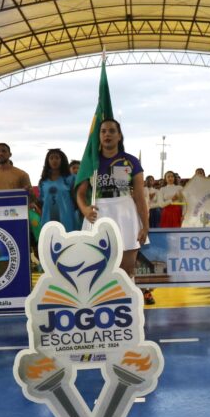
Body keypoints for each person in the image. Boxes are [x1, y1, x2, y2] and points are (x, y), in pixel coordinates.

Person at [75, 119, 152, 304]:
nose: (107, 134)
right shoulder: (90, 162)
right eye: (103, 131)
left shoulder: (131, 161)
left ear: (119, 136)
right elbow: (80, 194)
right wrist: (85, 209)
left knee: (127, 270)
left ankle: (127, 308)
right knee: (95, 267)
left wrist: (145, 225)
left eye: (111, 131)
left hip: (126, 215)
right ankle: (99, 306)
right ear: (98, 136)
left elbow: (140, 198)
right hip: (97, 215)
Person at [38, 148, 77, 232]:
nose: (54, 161)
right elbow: (40, 202)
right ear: (47, 161)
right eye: (51, 158)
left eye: (57, 158)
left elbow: (78, 198)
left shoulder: (71, 178)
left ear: (62, 160)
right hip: (47, 220)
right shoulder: (43, 182)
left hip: (67, 219)